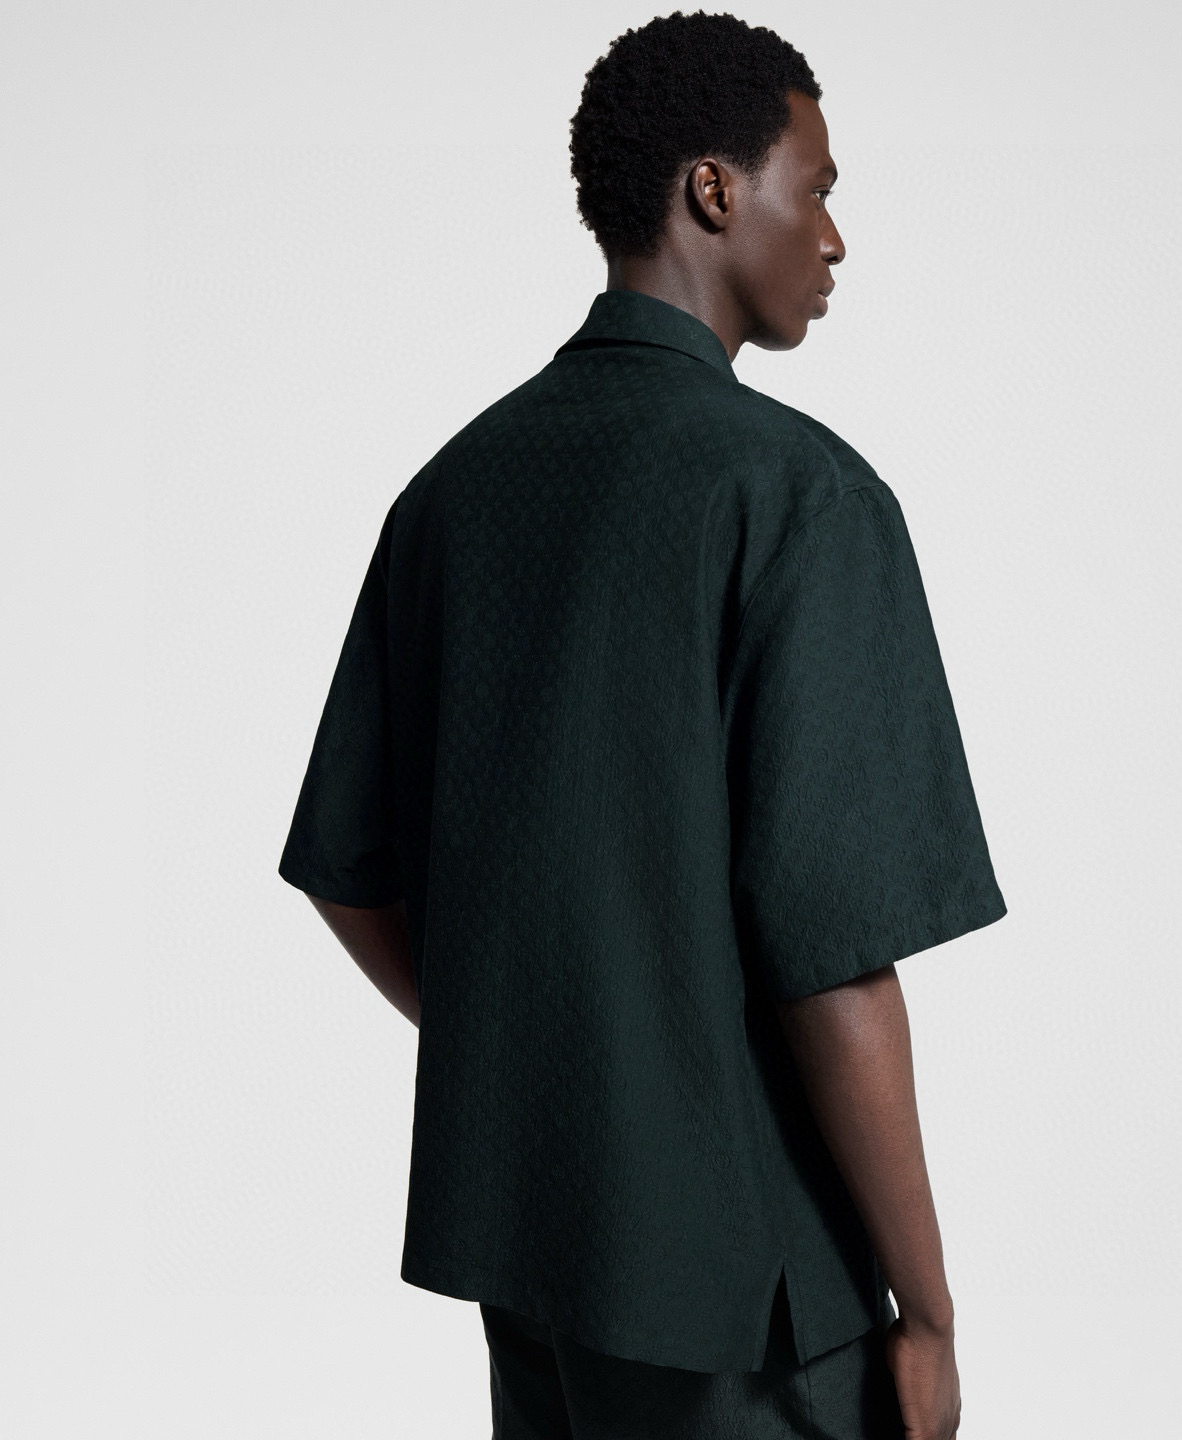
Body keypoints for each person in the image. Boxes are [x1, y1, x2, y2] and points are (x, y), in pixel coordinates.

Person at [278, 10, 1007, 1438]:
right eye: (818, 188)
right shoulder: (800, 498)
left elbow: (349, 870)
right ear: (714, 191)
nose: (836, 238)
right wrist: (929, 1312)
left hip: (538, 1258)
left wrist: (564, 1045)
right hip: (756, 1293)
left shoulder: (456, 491)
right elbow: (838, 967)